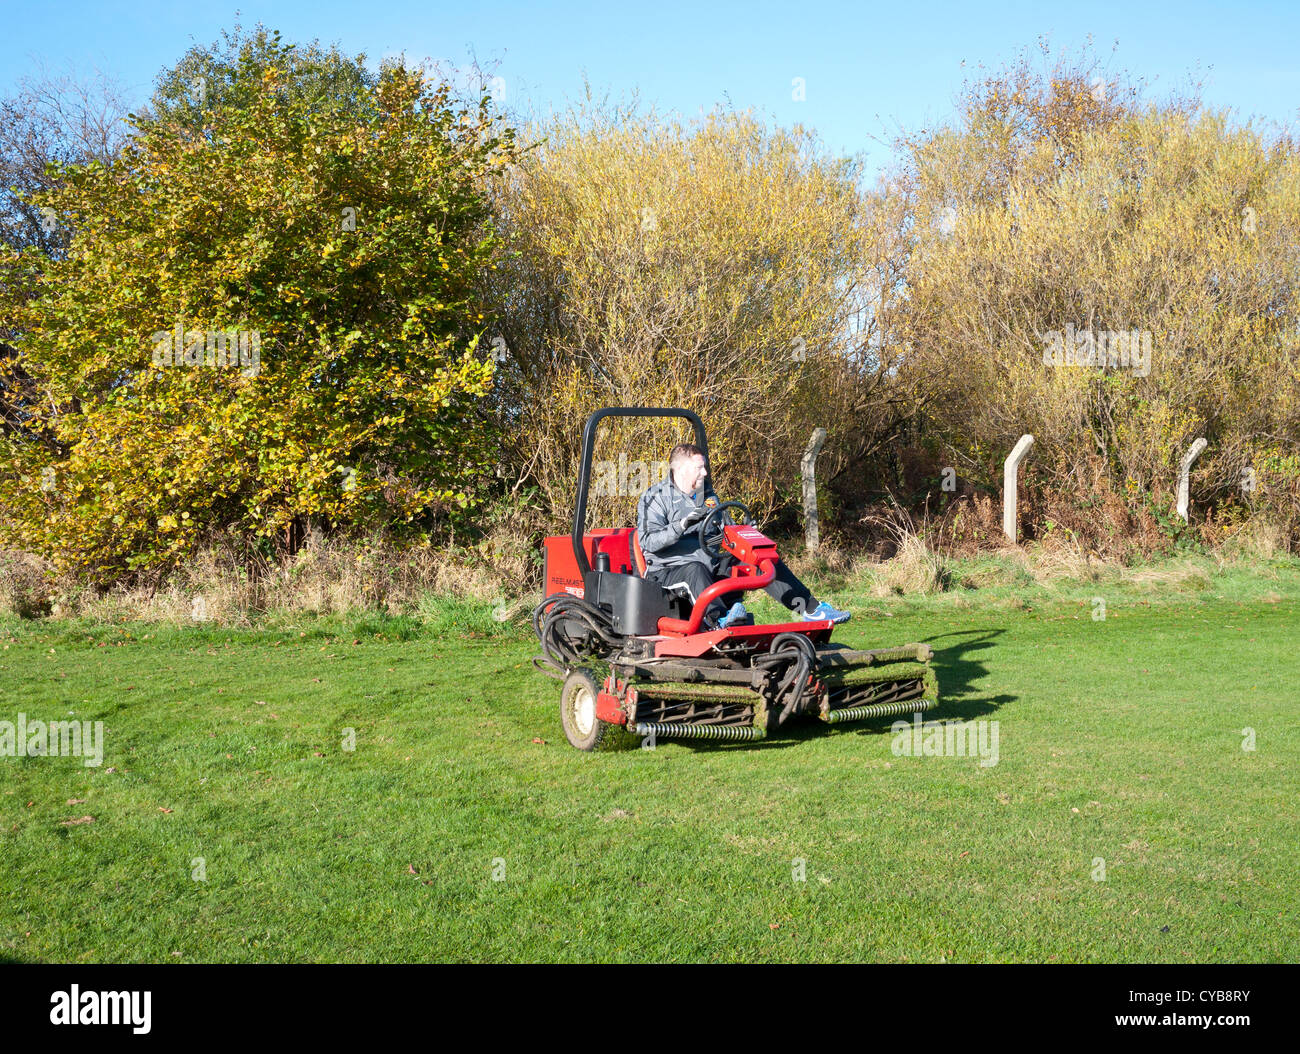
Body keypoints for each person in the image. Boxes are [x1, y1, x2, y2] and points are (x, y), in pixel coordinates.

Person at [636, 442, 851, 630]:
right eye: (699, 468)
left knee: (760, 560)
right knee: (695, 569)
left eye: (704, 468)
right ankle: (720, 620)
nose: (705, 473)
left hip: (709, 564)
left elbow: (724, 528)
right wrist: (681, 524)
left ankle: (811, 609)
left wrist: (745, 532)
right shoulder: (654, 498)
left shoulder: (707, 495)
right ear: (681, 469)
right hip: (667, 572)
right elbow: (648, 541)